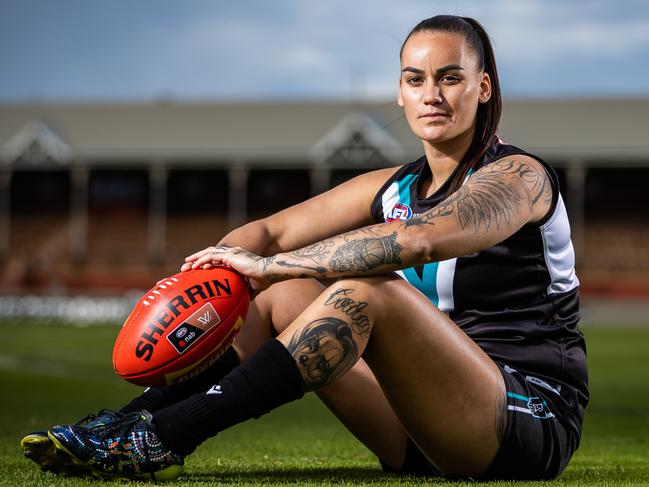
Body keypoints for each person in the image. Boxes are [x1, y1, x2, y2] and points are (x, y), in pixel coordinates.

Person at [21, 15, 588, 481]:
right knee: (278, 293)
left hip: (523, 420)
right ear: (399, 90)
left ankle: (166, 438)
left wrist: (267, 265)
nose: (431, 95)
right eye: (415, 80)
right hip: (419, 433)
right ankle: (121, 428)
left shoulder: (519, 176)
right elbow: (265, 234)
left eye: (449, 78)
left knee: (372, 291)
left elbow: (419, 238)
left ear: (482, 87)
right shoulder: (393, 186)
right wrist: (217, 272)